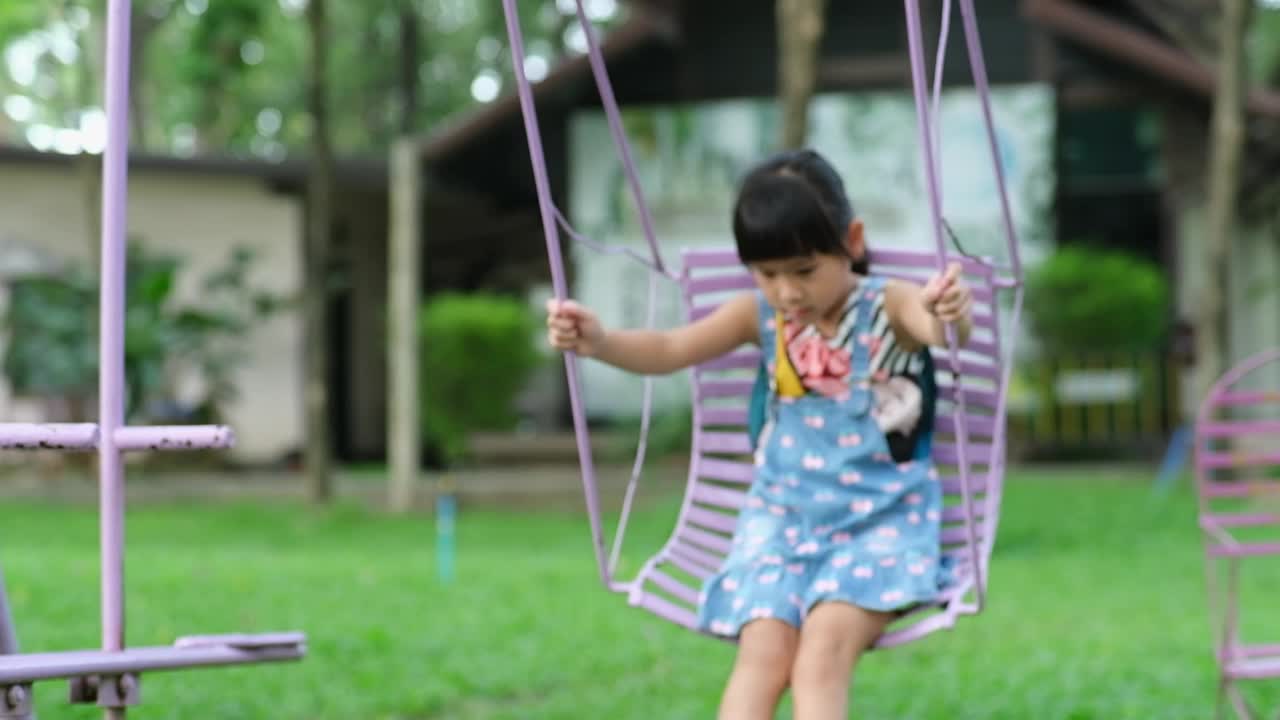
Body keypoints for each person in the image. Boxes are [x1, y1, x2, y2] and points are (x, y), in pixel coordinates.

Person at [545, 149, 973, 720]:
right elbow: (672, 348)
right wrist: (600, 342)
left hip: (880, 524)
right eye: (767, 274)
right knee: (764, 653)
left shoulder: (888, 305)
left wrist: (947, 313)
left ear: (852, 240)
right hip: (781, 523)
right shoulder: (759, 316)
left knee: (820, 655)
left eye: (804, 271)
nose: (788, 293)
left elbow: (939, 332)